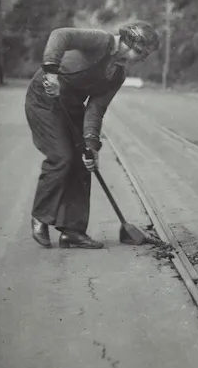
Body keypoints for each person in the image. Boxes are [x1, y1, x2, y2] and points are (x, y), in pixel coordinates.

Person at [25, 22, 160, 249]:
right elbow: (60, 35)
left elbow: (95, 110)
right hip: (45, 99)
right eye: (143, 53)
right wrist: (51, 72)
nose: (143, 59)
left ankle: (73, 232)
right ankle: (40, 216)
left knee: (83, 162)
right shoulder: (101, 41)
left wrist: (91, 146)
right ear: (133, 44)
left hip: (71, 106)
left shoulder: (117, 74)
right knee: (61, 157)